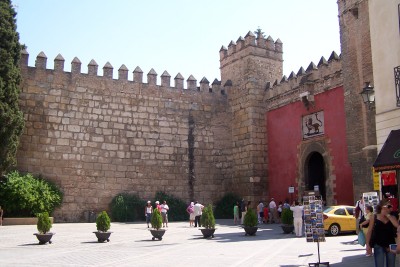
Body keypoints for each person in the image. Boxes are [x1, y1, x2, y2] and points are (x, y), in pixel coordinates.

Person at [366, 200, 399, 267]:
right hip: (378, 244)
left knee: (391, 265)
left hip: (391, 244)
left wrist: (387, 215)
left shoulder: (392, 217)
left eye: (391, 206)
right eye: (389, 206)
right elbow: (369, 231)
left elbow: (397, 225)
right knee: (379, 264)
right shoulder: (374, 217)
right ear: (382, 207)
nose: (391, 208)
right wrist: (368, 245)